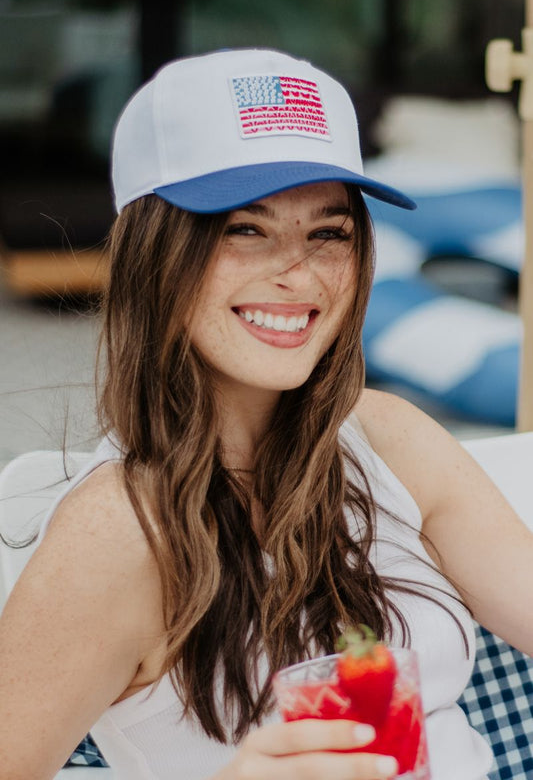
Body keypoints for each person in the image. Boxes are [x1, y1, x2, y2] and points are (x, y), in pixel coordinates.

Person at [0, 47, 532, 780]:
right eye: (245, 229)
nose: (299, 273)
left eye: (329, 232)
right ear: (155, 253)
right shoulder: (119, 533)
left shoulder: (386, 438)